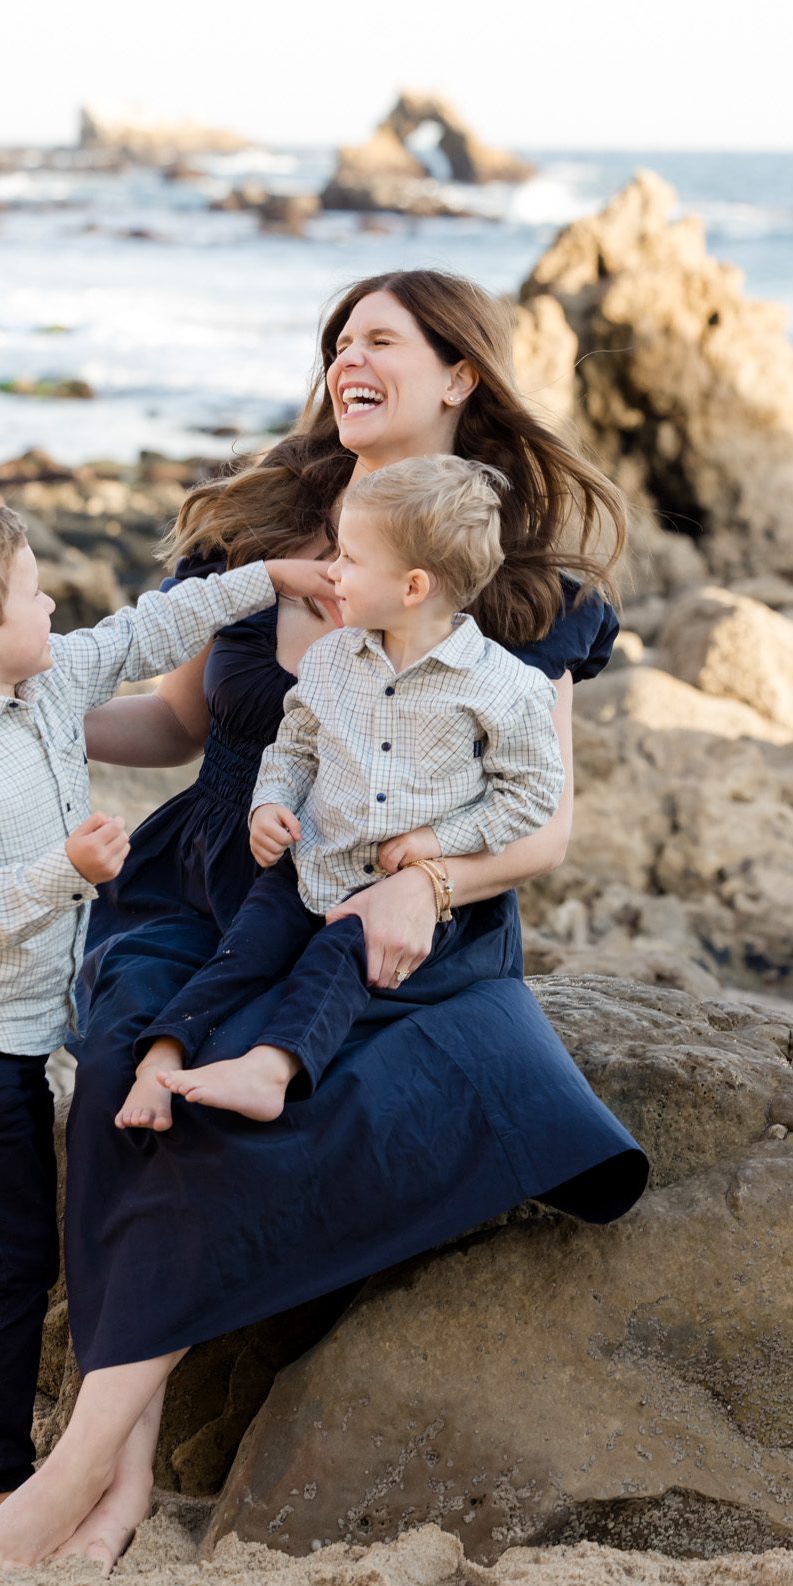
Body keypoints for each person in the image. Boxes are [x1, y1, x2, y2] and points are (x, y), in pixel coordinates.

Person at [0, 269, 650, 1573]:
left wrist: (427, 884)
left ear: (461, 375)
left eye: (381, 338)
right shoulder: (254, 534)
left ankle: (73, 1477)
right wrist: (15, 705)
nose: (346, 359)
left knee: (224, 1119)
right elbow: (176, 723)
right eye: (338, 340)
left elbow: (543, 826)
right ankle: (120, 1474)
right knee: (121, 1075)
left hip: (392, 904)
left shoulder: (521, 589)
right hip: (207, 871)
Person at [0, 498, 333, 1509]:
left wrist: (272, 578)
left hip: (10, 1035)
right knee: (13, 1258)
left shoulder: (49, 680)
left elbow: (147, 630)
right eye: (33, 593)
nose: (53, 604)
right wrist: (64, 871)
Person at [122, 454, 565, 1125]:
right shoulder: (332, 656)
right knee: (241, 953)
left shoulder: (504, 687)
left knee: (335, 960)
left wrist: (439, 839)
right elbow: (294, 746)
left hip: (388, 891)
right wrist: (270, 802)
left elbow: (530, 795)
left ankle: (270, 1070)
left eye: (351, 559)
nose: (331, 571)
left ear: (413, 586)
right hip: (310, 861)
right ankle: (159, 1060)